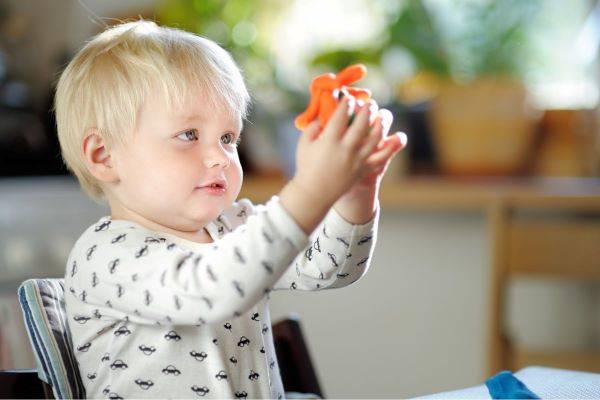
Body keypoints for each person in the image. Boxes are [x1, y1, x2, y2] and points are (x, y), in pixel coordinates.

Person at [56, 19, 406, 399]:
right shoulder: (105, 256)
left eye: (228, 138)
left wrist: (354, 191)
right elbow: (211, 288)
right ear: (104, 156)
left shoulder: (235, 225)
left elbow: (332, 268)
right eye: (189, 135)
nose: (220, 157)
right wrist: (311, 189)